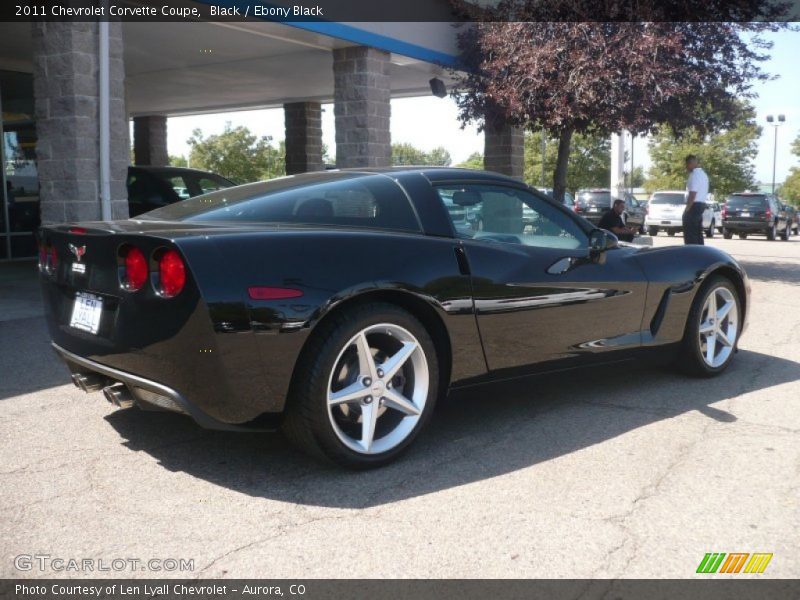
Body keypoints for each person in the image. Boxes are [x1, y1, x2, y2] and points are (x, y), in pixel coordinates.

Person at [683, 155, 709, 245]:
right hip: (700, 205)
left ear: (691, 163)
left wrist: (687, 209)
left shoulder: (695, 175)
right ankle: (700, 253)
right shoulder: (703, 174)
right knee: (697, 233)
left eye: (687, 164)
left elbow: (693, 194)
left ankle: (692, 254)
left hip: (694, 205)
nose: (686, 167)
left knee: (690, 234)